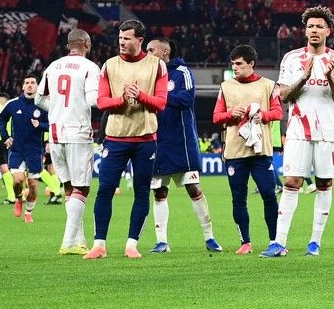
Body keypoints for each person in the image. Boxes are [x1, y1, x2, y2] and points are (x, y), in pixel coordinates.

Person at [266, 6, 334, 258]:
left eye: (319, 26)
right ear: (305, 30)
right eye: (310, 26)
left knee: (324, 183)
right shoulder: (292, 59)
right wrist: (303, 77)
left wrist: (329, 77)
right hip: (297, 131)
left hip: (327, 132)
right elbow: (283, 96)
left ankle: (315, 242)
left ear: (328, 31)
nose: (314, 30)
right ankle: (279, 242)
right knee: (291, 182)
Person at [86, 19, 169, 260]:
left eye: (127, 38)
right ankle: (99, 244)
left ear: (140, 40)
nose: (121, 42)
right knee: (105, 189)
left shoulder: (157, 66)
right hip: (115, 138)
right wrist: (121, 99)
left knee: (142, 192)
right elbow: (102, 102)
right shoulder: (109, 65)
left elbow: (161, 103)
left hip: (145, 139)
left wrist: (140, 95)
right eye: (120, 38)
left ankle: (132, 244)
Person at [148, 38, 220, 253]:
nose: (147, 53)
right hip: (157, 141)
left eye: (151, 50)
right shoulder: (147, 74)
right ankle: (162, 242)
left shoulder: (182, 72)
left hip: (181, 141)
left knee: (193, 188)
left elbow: (186, 99)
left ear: (165, 51)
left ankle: (209, 237)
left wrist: (159, 97)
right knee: (159, 192)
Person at [213, 45, 283, 255]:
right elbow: (216, 117)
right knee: (238, 197)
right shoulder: (226, 87)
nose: (234, 67)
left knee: (269, 195)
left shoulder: (268, 85)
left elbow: (278, 112)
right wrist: (231, 114)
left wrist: (263, 115)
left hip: (261, 152)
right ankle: (245, 242)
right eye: (233, 64)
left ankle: (275, 241)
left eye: (239, 64)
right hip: (235, 152)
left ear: (251, 63)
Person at [36, 29, 99, 254]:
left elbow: (38, 99)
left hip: (55, 133)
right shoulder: (90, 67)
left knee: (70, 187)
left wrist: (56, 109)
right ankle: (68, 242)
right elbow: (93, 100)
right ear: (86, 44)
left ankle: (79, 240)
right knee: (82, 188)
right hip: (78, 132)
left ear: (68, 45)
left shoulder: (53, 66)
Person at [0, 74, 49, 224]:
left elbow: (52, 124)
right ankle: (18, 198)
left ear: (37, 86)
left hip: (35, 151)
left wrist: (40, 125)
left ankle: (28, 212)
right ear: (22, 86)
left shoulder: (44, 105)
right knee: (18, 181)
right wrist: (5, 137)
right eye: (27, 83)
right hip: (17, 149)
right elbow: (2, 119)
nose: (30, 85)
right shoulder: (13, 104)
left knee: (32, 185)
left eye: (33, 82)